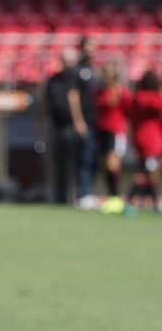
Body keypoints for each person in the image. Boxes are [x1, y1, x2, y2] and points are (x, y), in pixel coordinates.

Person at [66, 36, 100, 209]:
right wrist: (78, 120)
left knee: (93, 157)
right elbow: (73, 96)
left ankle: (90, 192)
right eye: (89, 46)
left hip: (96, 122)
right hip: (84, 121)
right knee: (84, 158)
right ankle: (83, 193)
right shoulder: (78, 70)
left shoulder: (94, 69)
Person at [45, 47, 79, 204]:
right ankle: (59, 199)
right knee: (58, 167)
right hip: (57, 128)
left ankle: (76, 198)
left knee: (76, 165)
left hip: (73, 128)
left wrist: (78, 122)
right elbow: (48, 104)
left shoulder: (77, 79)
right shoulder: (54, 80)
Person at [94, 61, 131, 203]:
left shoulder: (121, 92)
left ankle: (117, 196)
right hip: (102, 131)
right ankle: (111, 196)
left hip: (116, 132)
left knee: (113, 164)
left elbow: (128, 110)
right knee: (105, 165)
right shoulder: (99, 92)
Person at [126, 70, 162, 213]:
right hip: (151, 140)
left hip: (141, 138)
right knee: (147, 171)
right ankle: (130, 201)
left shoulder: (137, 97)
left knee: (150, 171)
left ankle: (154, 203)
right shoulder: (150, 98)